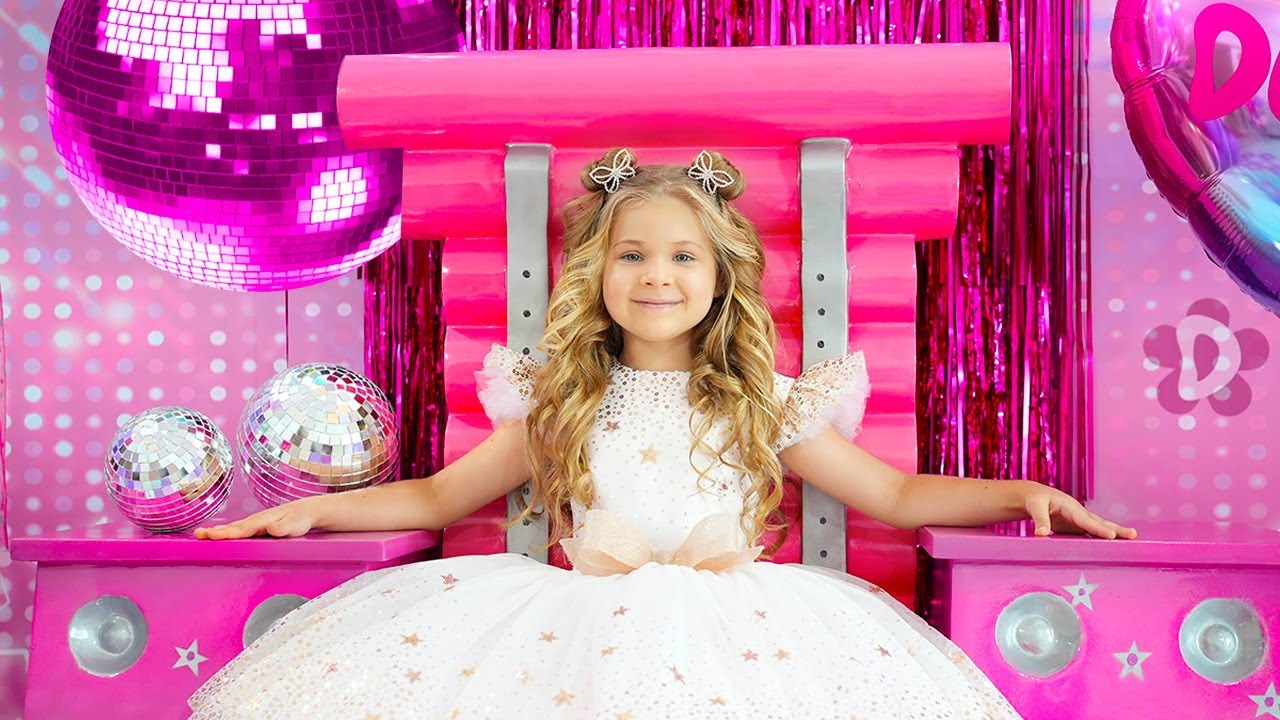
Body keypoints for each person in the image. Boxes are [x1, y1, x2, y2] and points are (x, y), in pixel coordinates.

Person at [188, 148, 1137, 719]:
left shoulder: (761, 398)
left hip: (745, 632)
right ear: (597, 273)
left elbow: (892, 493)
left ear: (720, 280)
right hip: (577, 630)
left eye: (683, 256)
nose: (656, 276)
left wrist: (1020, 493)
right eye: (632, 254)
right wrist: (313, 511)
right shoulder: (565, 398)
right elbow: (440, 497)